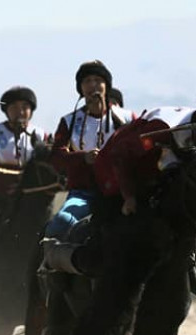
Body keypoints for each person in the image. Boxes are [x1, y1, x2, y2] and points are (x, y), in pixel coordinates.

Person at [50, 87, 196, 297]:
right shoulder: (166, 124)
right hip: (116, 178)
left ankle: (188, 259)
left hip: (155, 186)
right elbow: (121, 155)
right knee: (105, 246)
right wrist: (129, 196)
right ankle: (60, 258)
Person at [43, 60, 135, 241]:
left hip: (123, 193)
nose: (93, 85)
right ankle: (46, 266)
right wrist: (83, 157)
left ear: (106, 86)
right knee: (60, 223)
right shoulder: (69, 122)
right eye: (87, 81)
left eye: (98, 80)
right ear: (81, 89)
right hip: (83, 192)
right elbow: (56, 157)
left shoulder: (127, 118)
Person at [0, 85, 48, 241]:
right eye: (14, 107)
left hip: (30, 203)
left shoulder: (42, 136)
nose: (20, 111)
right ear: (6, 110)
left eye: (25, 107)